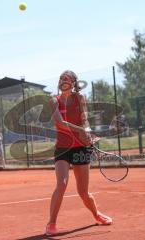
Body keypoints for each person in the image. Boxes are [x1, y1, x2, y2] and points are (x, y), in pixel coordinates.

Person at [46, 70, 112, 235]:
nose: (62, 80)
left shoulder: (80, 98)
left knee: (83, 193)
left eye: (66, 78)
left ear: (73, 83)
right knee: (61, 184)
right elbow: (59, 123)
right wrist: (80, 130)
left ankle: (96, 215)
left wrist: (87, 132)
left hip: (81, 148)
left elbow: (85, 120)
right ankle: (51, 224)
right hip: (63, 148)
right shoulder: (53, 100)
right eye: (61, 78)